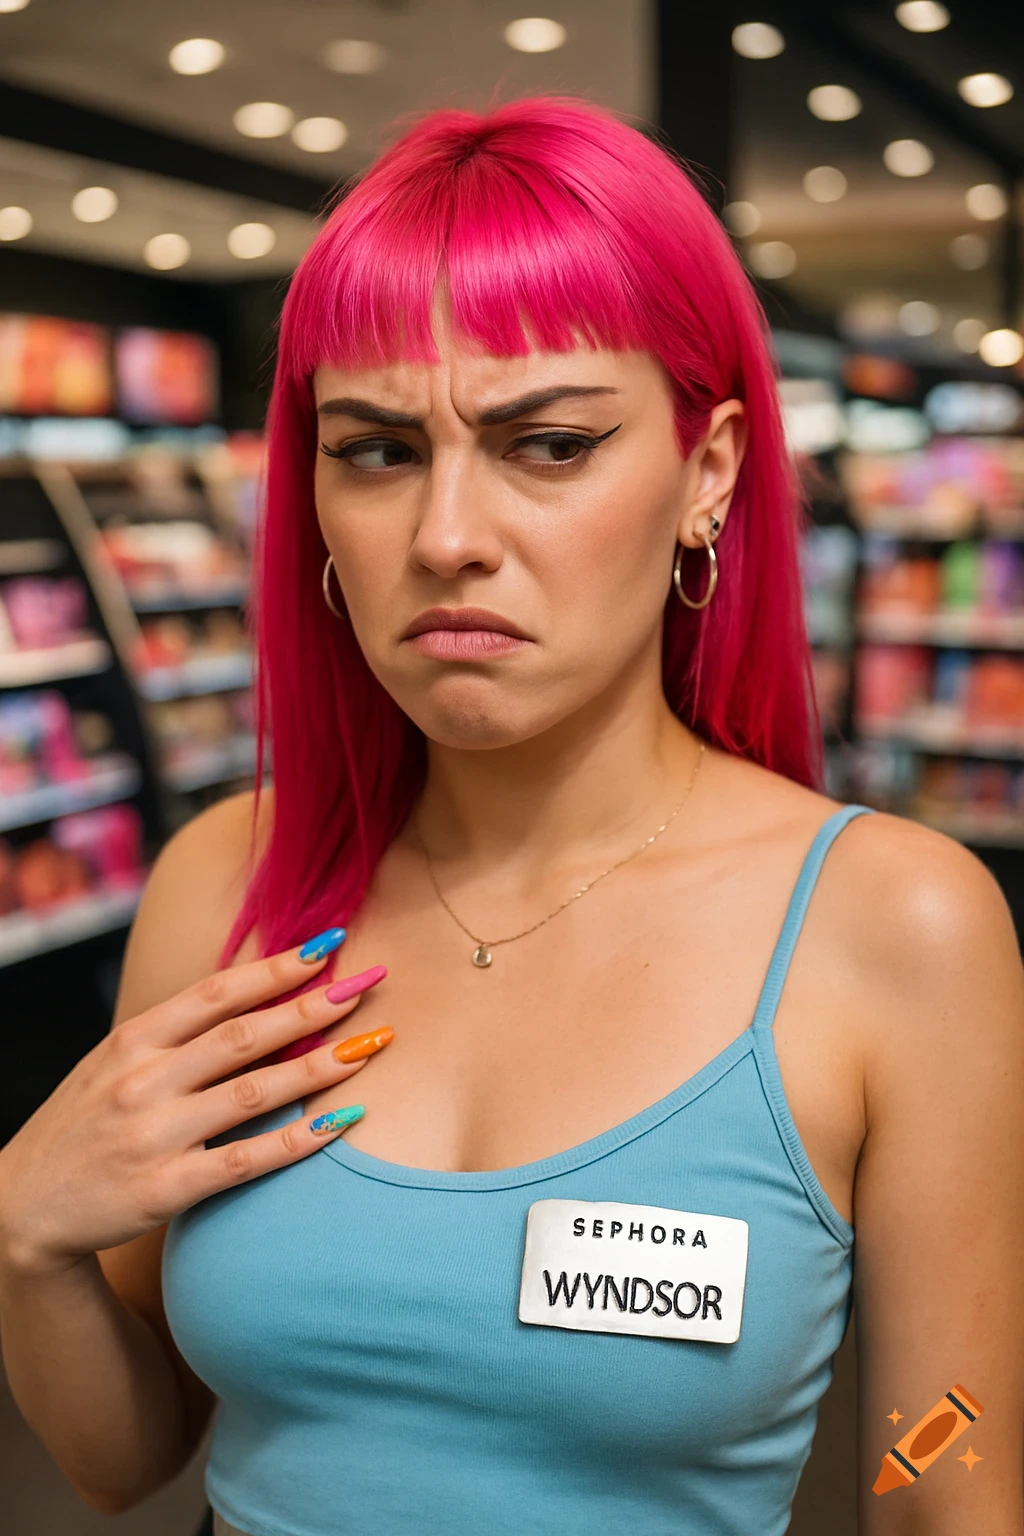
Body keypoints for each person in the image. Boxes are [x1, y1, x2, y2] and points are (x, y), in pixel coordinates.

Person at [1, 96, 1021, 1536]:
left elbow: (946, 1478)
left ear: (707, 473)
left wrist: (942, 1463)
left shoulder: (892, 927)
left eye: (546, 444)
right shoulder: (229, 882)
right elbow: (121, 1459)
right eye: (375, 450)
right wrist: (24, 1232)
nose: (445, 537)